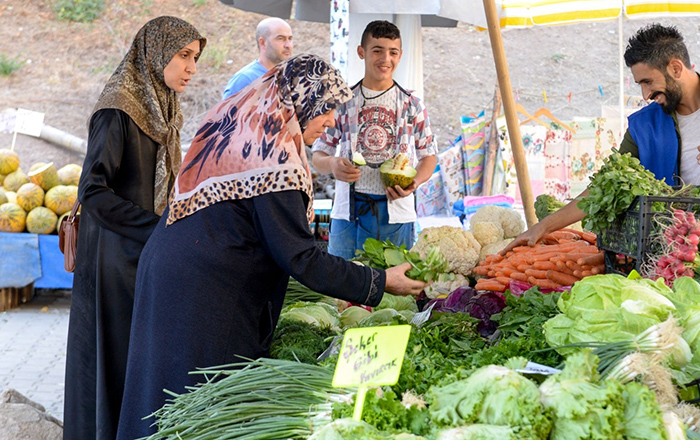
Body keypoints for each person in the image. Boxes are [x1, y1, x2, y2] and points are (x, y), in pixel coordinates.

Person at [115, 54, 427, 439]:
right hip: (206, 293)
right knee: (196, 403)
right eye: (326, 108)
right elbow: (300, 257)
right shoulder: (274, 159)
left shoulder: (246, 127)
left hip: (172, 270)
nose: (331, 120)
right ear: (301, 100)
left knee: (159, 388)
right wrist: (379, 283)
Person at [506, 24, 700, 317]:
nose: (645, 94)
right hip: (687, 259)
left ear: (675, 67)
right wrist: (542, 228)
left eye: (648, 82)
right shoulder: (642, 126)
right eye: (640, 85)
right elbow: (605, 187)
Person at [63, 16, 205, 440]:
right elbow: (93, 189)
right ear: (156, 52)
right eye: (183, 56)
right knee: (111, 360)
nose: (191, 68)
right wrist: (156, 224)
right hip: (111, 258)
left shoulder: (162, 106)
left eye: (195, 58)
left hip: (138, 253)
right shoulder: (118, 108)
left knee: (130, 361)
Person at [311, 20, 438, 260]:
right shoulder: (342, 102)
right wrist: (332, 165)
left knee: (394, 290)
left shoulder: (413, 105)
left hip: (397, 213)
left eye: (392, 52)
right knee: (342, 290)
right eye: (377, 50)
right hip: (347, 213)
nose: (385, 59)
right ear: (362, 52)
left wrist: (415, 183)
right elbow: (318, 154)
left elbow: (428, 156)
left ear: (400, 56)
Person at [222, 17, 293, 99]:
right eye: (281, 39)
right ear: (263, 43)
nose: (288, 45)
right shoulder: (245, 80)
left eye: (290, 39)